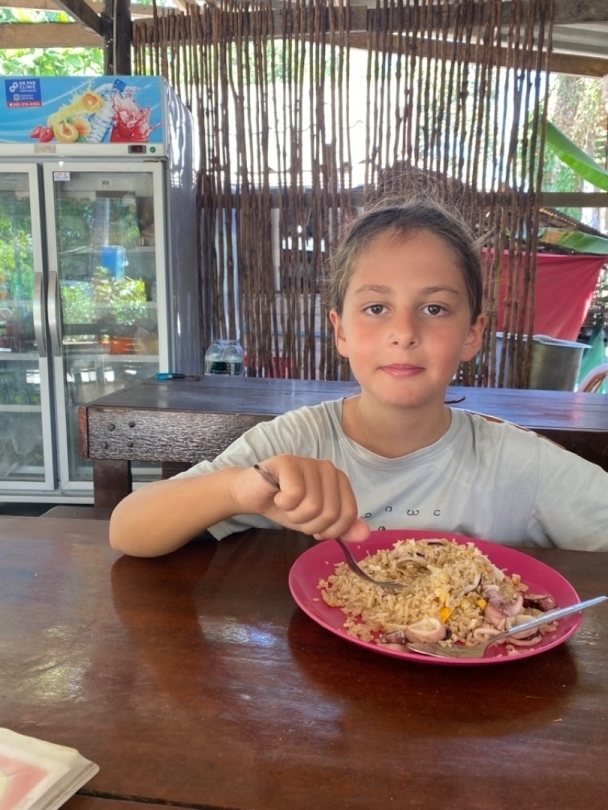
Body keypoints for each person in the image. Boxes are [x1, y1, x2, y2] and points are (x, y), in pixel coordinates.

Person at [109, 197, 608, 557]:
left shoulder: (516, 464)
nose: (404, 333)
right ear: (341, 331)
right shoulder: (296, 442)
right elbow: (127, 530)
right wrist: (239, 490)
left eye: (435, 308)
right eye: (376, 308)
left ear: (472, 333)